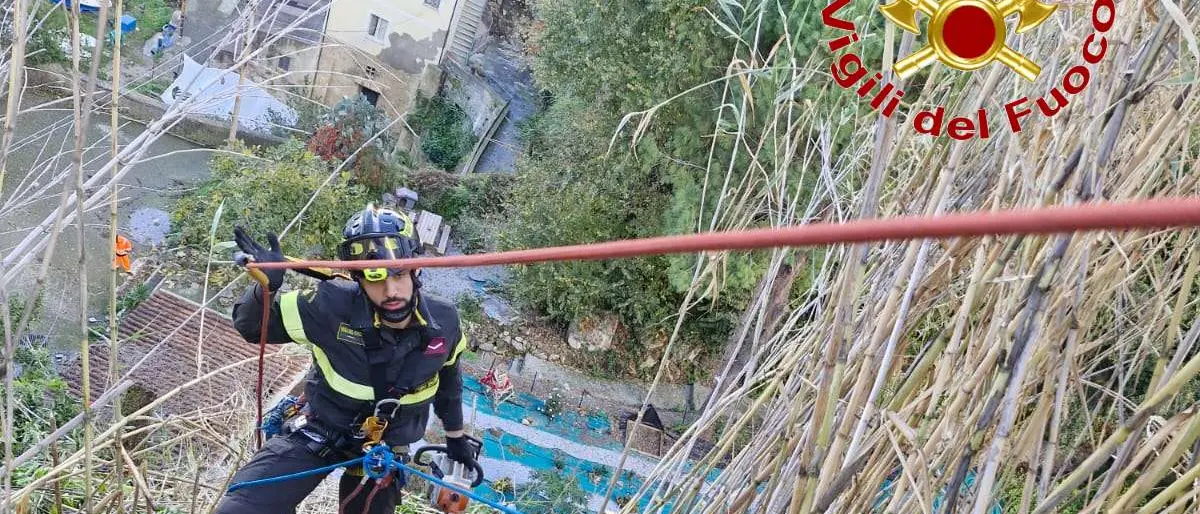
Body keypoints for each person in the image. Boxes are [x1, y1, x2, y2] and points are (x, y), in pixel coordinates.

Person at [215, 205, 477, 514]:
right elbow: (250, 326)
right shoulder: (330, 305)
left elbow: (449, 384)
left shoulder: (445, 323)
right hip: (320, 428)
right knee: (240, 507)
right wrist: (264, 291)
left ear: (417, 268)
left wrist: (456, 437)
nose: (390, 291)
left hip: (384, 450)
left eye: (399, 273)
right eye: (375, 277)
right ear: (358, 278)